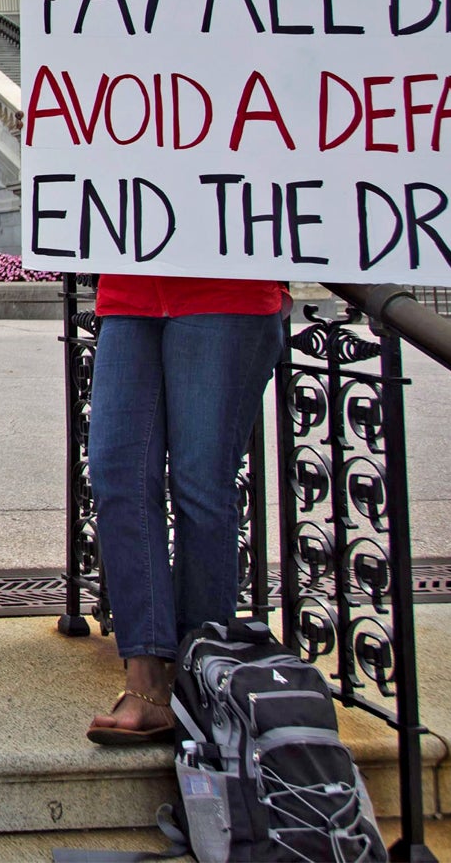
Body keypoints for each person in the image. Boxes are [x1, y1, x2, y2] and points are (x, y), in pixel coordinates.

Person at [74, 270, 285, 744]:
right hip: (130, 292)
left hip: (227, 289)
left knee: (201, 486)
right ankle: (146, 676)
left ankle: (199, 678)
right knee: (116, 476)